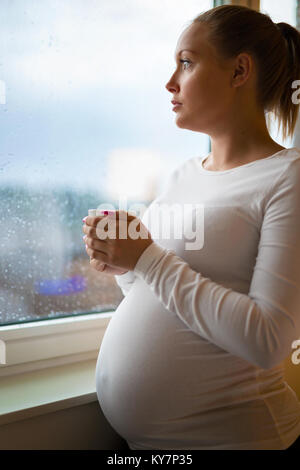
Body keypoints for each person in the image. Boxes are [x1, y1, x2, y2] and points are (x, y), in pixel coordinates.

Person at [85, 5, 300, 449]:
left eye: (186, 62)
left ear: (240, 70)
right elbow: (159, 291)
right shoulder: (184, 174)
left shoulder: (289, 177)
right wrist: (125, 263)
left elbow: (268, 340)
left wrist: (146, 257)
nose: (170, 81)